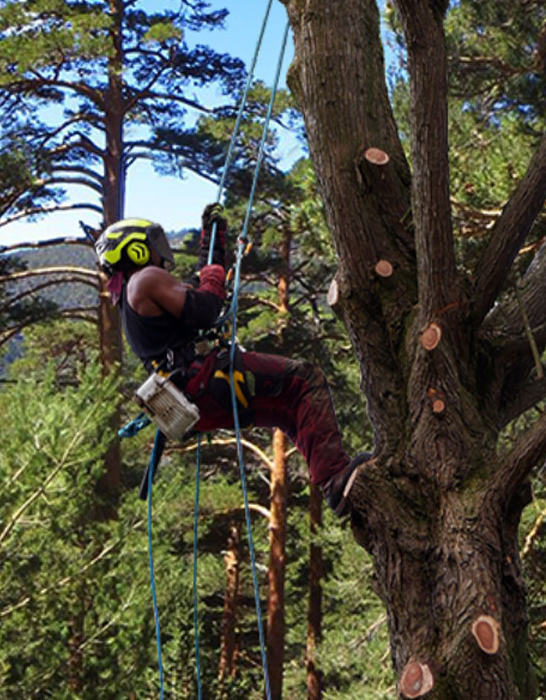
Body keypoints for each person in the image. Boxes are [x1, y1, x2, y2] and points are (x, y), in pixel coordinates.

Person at [95, 207, 370, 516]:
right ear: (136, 249)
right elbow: (206, 308)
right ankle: (334, 478)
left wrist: (211, 242)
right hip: (207, 381)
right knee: (305, 380)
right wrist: (212, 274)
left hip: (195, 399)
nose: (162, 252)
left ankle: (337, 485)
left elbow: (194, 292)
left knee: (290, 409)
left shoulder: (130, 296)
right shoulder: (145, 278)